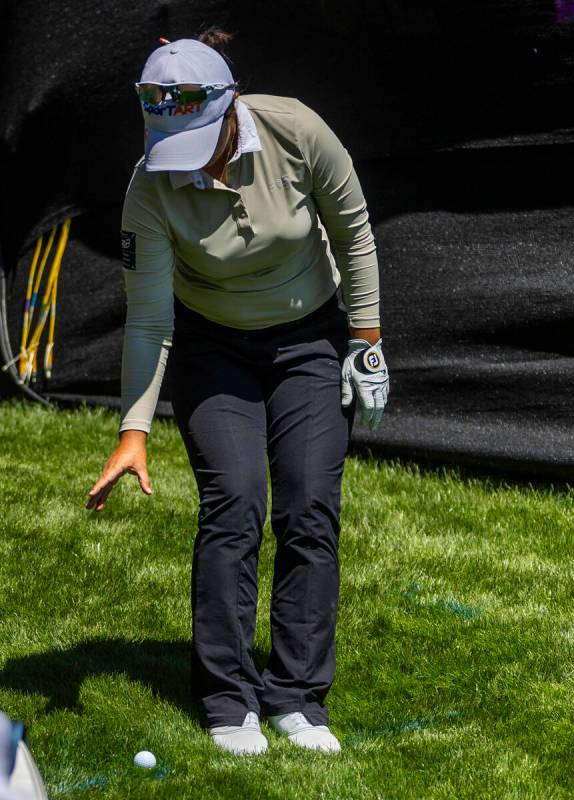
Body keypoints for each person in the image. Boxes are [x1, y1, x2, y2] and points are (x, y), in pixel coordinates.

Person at [85, 27, 389, 756]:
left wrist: (367, 341)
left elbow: (353, 232)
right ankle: (228, 699)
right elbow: (150, 317)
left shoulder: (298, 129)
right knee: (236, 507)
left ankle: (298, 698)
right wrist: (134, 430)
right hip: (212, 347)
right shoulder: (149, 187)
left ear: (230, 107)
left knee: (311, 505)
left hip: (308, 339)